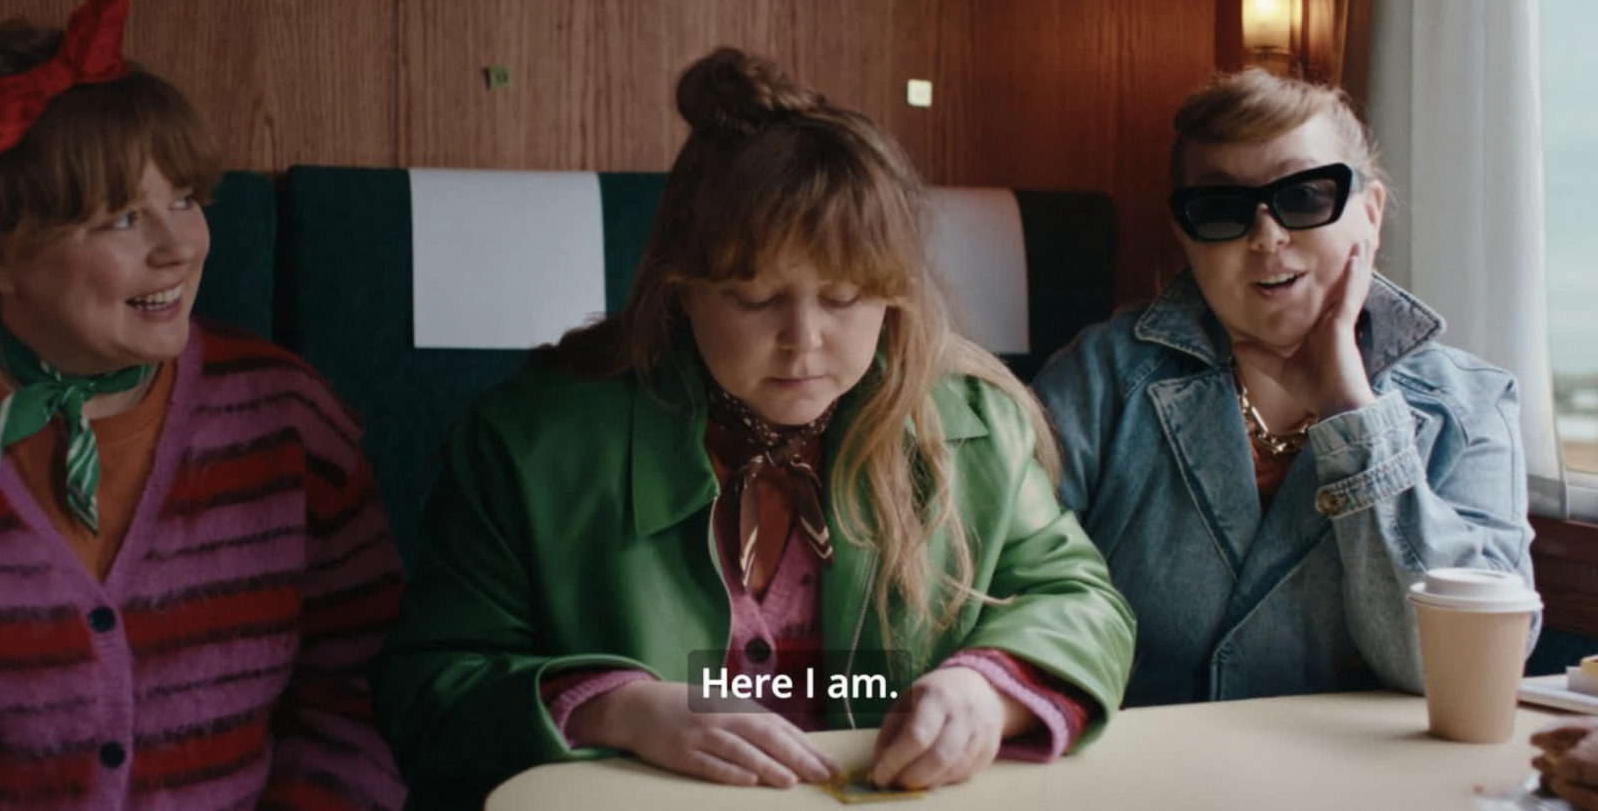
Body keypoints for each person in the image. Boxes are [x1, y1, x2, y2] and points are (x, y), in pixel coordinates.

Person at [373, 47, 1135, 808]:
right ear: (681, 289)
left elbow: (1082, 603)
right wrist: (621, 711)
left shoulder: (976, 427)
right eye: (754, 298)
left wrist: (986, 691)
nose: (803, 341)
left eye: (843, 297)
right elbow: (428, 689)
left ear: (893, 294)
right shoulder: (525, 446)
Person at [0, 0, 406, 808]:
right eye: (121, 219)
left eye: (184, 200)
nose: (180, 247)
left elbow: (361, 689)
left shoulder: (285, 418)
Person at [1031, 67, 1537, 707]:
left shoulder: (1472, 406)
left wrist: (1352, 417)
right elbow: (1013, 599)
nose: (1267, 236)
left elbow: (1463, 667)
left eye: (1304, 197)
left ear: (1370, 214)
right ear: (1186, 235)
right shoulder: (1098, 379)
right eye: (1222, 209)